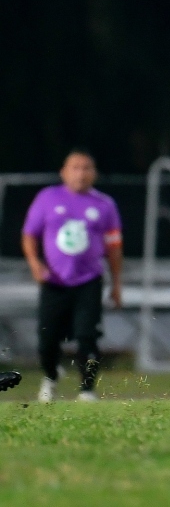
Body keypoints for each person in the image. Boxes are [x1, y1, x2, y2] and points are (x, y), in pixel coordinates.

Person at [21, 150, 123, 402]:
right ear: (64, 172)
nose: (81, 173)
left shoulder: (104, 205)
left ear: (94, 174)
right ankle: (50, 375)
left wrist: (116, 284)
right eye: (75, 168)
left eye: (86, 168)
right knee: (47, 339)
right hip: (54, 281)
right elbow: (29, 234)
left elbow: (114, 246)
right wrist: (35, 263)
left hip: (88, 281)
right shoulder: (48, 198)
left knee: (87, 335)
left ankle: (87, 389)